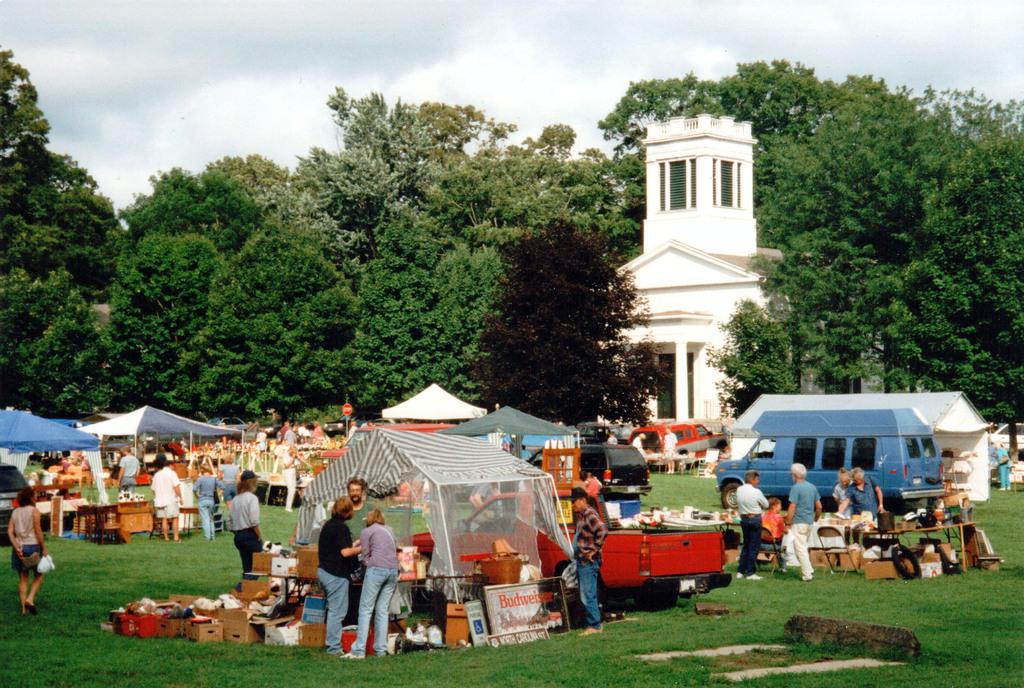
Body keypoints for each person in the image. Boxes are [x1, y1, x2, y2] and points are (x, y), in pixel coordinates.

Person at [347, 509, 398, 659]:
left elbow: (364, 555)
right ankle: (380, 650)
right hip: (393, 571)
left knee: (365, 609)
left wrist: (369, 564)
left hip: (377, 570)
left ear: (368, 520)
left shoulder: (366, 531)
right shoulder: (390, 530)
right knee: (382, 610)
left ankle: (359, 650)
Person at [318, 497, 361, 655]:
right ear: (348, 511)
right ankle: (334, 647)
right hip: (335, 574)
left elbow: (338, 547)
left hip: (323, 570)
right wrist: (362, 548)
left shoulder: (329, 525)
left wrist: (354, 544)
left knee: (332, 610)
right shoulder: (341, 528)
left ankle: (332, 643)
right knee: (337, 612)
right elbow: (345, 552)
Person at [571, 486, 607, 635]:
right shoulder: (582, 515)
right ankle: (592, 622)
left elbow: (602, 530)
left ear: (582, 500)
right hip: (582, 560)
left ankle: (595, 625)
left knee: (587, 594)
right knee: (586, 593)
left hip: (588, 561)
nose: (573, 505)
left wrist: (594, 549)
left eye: (574, 502)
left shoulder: (589, 514)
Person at [8, 486, 47, 615]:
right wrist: (44, 548)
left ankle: (23, 610)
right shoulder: (34, 511)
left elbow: (10, 531)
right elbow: (38, 531)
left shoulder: (15, 512)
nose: (37, 497)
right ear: (30, 497)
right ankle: (30, 599)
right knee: (39, 575)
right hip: (33, 546)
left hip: (20, 547)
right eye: (35, 495)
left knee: (23, 577)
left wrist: (16, 546)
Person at [785, 463, 821, 582]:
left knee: (800, 549)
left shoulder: (796, 488)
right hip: (809, 522)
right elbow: (819, 506)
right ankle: (809, 570)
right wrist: (816, 518)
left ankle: (807, 575)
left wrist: (788, 522)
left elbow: (792, 507)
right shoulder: (812, 487)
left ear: (794, 475)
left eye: (791, 474)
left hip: (798, 522)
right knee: (804, 547)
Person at [735, 470, 769, 581]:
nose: (758, 482)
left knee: (746, 545)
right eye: (757, 479)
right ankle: (750, 572)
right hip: (754, 519)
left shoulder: (739, 489)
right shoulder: (756, 491)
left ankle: (740, 571)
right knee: (754, 546)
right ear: (753, 479)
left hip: (744, 518)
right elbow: (766, 504)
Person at [230, 470, 263, 579]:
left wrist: (236, 532)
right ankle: (241, 589)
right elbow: (254, 520)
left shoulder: (235, 499)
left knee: (247, 568)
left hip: (238, 536)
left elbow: (229, 521)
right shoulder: (252, 498)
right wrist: (259, 535)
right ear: (252, 482)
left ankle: (246, 591)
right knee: (257, 569)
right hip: (250, 534)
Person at [151, 455, 183, 542]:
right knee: (175, 518)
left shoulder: (156, 475)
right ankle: (176, 537)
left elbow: (153, 490)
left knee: (164, 519)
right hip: (170, 499)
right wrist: (180, 497)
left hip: (159, 500)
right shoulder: (171, 473)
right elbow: (176, 487)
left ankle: (166, 538)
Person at [193, 466, 220, 541]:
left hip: (202, 500)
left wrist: (197, 496)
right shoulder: (213, 479)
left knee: (205, 519)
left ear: (202, 472)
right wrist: (219, 494)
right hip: (211, 500)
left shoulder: (200, 479)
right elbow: (222, 486)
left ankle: (207, 537)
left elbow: (194, 489)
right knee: (211, 519)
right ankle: (213, 537)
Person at [761, 497, 787, 573]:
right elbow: (783, 532)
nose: (781, 507)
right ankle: (783, 567)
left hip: (760, 544)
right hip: (772, 546)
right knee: (785, 546)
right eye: (780, 505)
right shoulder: (778, 518)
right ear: (774, 506)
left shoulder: (763, 516)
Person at [282, 445, 299, 512]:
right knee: (291, 489)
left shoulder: (293, 455)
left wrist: (297, 459)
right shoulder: (286, 455)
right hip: (287, 472)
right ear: (290, 450)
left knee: (293, 489)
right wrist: (292, 458)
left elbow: (297, 464)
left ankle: (290, 505)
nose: (294, 453)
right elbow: (286, 466)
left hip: (293, 471)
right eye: (293, 452)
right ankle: (288, 507)